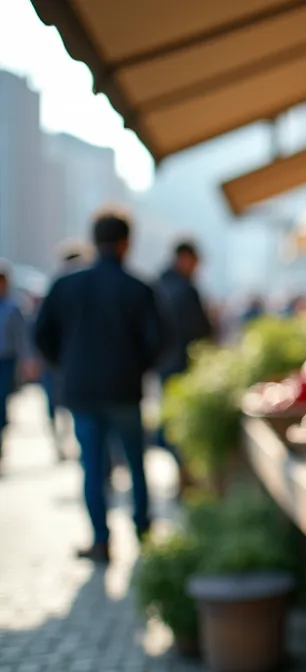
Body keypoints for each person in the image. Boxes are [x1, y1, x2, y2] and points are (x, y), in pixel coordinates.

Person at [35, 212, 164, 562]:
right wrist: (136, 367)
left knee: (92, 466)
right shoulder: (137, 287)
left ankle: (100, 539)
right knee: (135, 462)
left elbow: (41, 334)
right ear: (126, 243)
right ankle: (142, 530)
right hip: (124, 389)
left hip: (82, 389)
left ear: (94, 241)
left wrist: (66, 365)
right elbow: (157, 340)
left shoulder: (66, 285)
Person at [154, 241, 212, 485]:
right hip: (184, 366)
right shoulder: (184, 290)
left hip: (164, 366)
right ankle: (186, 477)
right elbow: (201, 332)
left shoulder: (158, 285)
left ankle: (182, 474)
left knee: (172, 421)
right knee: (182, 423)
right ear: (185, 259)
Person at [40, 245, 90, 461]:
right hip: (81, 365)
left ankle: (64, 444)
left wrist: (56, 360)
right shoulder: (86, 287)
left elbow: (41, 331)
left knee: (68, 410)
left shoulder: (58, 287)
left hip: (64, 363)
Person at [0, 261, 33, 464]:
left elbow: (21, 338)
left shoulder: (13, 307)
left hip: (6, 360)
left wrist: (27, 361)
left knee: (2, 400)